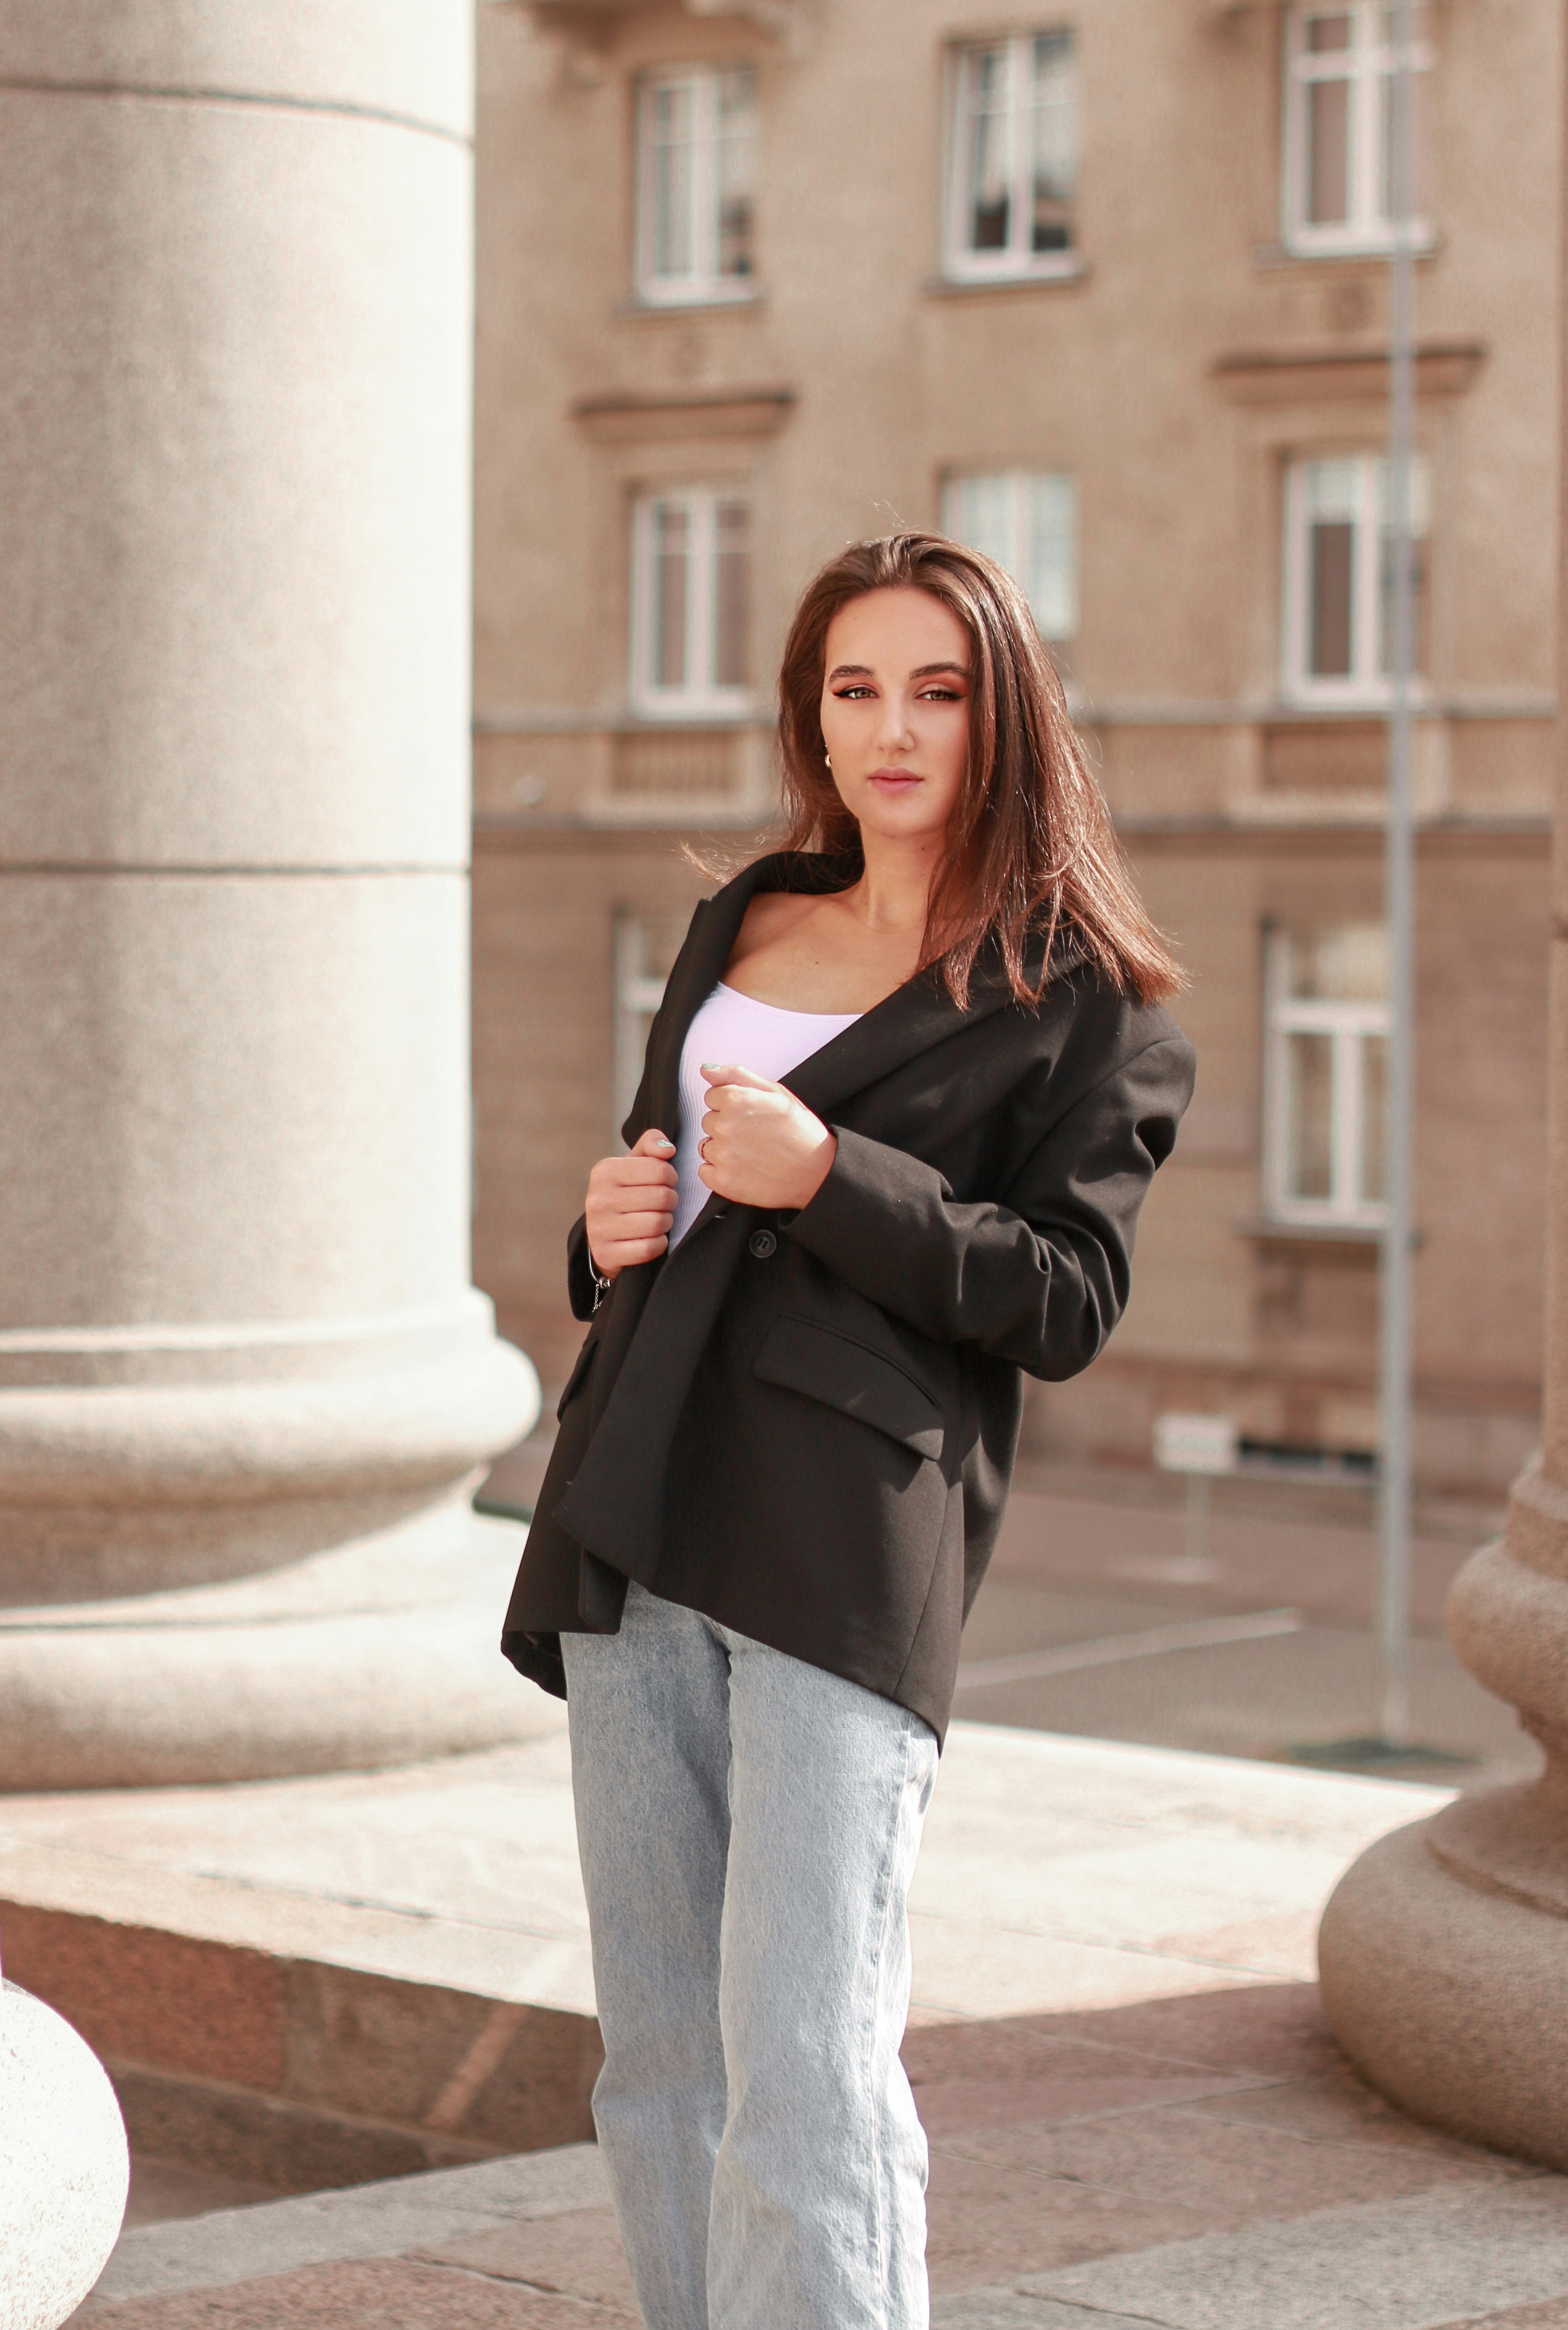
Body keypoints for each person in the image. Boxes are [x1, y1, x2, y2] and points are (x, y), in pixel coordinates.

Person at [503, 530, 1195, 2330]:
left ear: (1004, 715)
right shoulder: (744, 920)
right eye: (856, 689)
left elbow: (1065, 1298)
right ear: (814, 713)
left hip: (835, 1553)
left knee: (807, 2077)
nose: (894, 731)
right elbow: (663, 1185)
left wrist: (833, 1180)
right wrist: (604, 1229)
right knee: (658, 2065)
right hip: (637, 1511)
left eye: (939, 691)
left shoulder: (1085, 997)